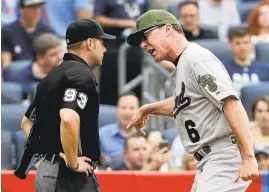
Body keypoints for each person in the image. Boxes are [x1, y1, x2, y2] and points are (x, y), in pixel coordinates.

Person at [126, 9, 259, 191]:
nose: (143, 45)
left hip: (223, 156)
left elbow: (232, 104)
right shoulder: (184, 63)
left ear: (167, 30)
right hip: (209, 162)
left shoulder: (196, 59)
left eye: (146, 36)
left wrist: (249, 158)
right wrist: (148, 109)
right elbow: (187, 102)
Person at [19, 19, 115, 192]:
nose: (105, 49)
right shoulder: (80, 75)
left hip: (51, 173)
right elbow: (69, 118)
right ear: (90, 43)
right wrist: (72, 161)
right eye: (102, 43)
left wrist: (45, 160)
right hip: (67, 177)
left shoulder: (55, 74)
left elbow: (27, 122)